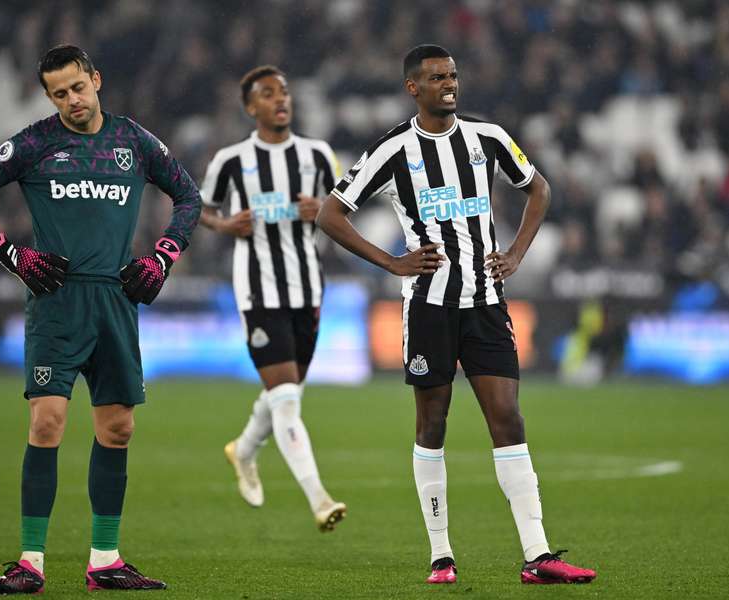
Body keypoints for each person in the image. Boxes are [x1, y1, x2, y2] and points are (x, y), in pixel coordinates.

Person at [316, 45, 597, 585]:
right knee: (433, 422)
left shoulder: (487, 137)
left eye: (453, 75)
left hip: (486, 302)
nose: (449, 84)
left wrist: (515, 254)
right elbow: (331, 213)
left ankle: (538, 556)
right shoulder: (393, 149)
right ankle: (441, 556)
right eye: (437, 78)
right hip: (429, 306)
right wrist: (393, 263)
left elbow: (538, 188)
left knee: (508, 417)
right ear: (412, 88)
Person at [0, 45, 201, 593]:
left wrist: (162, 256)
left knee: (119, 428)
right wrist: (10, 254)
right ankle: (30, 563)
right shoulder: (35, 143)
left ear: (96, 80)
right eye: (59, 93)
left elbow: (188, 196)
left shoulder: (133, 140)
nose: (72, 100)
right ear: (48, 96)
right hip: (56, 301)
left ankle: (104, 559)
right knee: (47, 423)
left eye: (77, 88)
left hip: (115, 299)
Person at [199, 65, 346, 531]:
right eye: (267, 93)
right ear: (250, 107)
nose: (280, 99)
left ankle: (243, 450)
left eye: (284, 91)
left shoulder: (318, 155)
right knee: (285, 397)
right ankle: (319, 499)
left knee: (287, 393)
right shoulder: (231, 159)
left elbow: (342, 211)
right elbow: (200, 209)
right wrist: (225, 225)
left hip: (308, 288)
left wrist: (321, 210)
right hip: (258, 291)